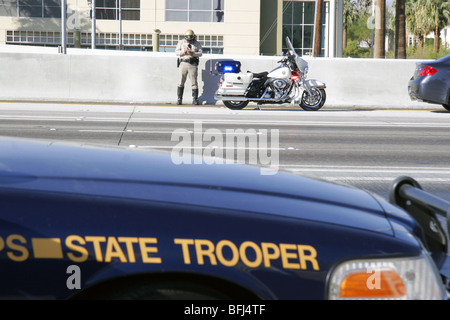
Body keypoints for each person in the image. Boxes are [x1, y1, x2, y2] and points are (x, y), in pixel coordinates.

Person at [175, 29, 203, 105]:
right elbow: (176, 52)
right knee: (181, 82)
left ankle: (195, 99)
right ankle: (179, 99)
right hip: (183, 62)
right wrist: (184, 52)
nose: (189, 42)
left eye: (190, 40)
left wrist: (193, 53)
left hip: (192, 63)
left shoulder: (197, 43)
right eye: (188, 40)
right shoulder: (181, 42)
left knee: (194, 82)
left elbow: (200, 53)